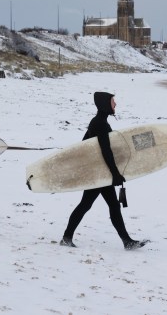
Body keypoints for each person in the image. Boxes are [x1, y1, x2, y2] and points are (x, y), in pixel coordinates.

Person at [60, 92, 146, 250]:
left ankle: (127, 241)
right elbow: (106, 151)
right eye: (113, 102)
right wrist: (115, 174)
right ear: (105, 104)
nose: (115, 105)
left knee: (112, 205)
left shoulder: (98, 122)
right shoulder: (100, 123)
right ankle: (66, 237)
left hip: (101, 172)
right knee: (86, 205)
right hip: (98, 174)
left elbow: (84, 144)